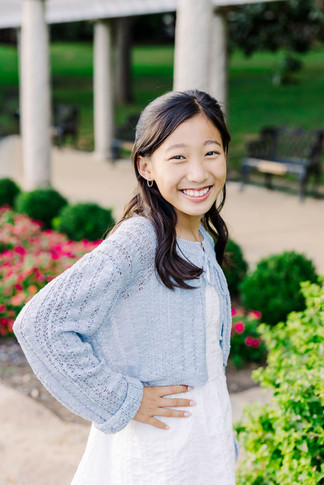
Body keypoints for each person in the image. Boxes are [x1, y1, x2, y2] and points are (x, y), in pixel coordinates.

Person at [13, 89, 239, 484]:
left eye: (211, 152)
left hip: (203, 442)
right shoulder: (139, 240)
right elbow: (40, 324)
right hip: (157, 455)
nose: (199, 173)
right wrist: (123, 400)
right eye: (178, 157)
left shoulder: (200, 234)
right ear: (146, 166)